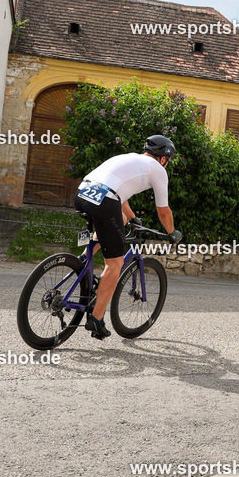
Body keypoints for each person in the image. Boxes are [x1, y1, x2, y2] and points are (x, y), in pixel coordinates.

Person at [75, 135, 181, 339]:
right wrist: (171, 233)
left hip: (82, 193)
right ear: (164, 157)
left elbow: (119, 197)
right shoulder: (157, 169)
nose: (168, 164)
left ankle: (83, 258)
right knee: (114, 264)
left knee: (120, 218)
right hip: (105, 200)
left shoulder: (130, 158)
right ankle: (95, 320)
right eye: (169, 160)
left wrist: (133, 219)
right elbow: (164, 211)